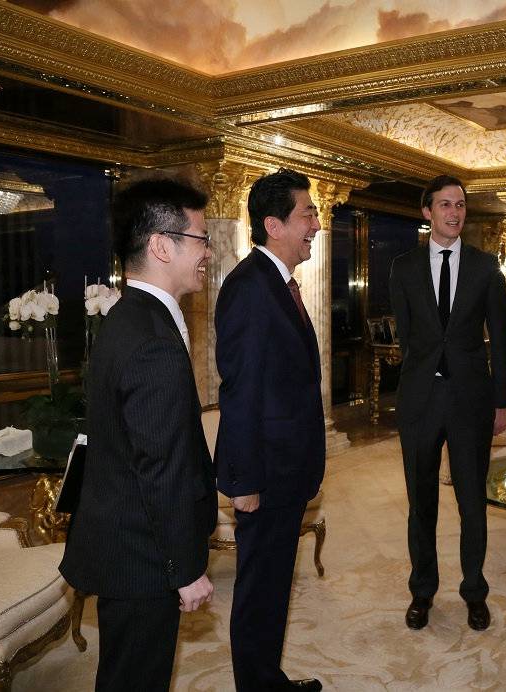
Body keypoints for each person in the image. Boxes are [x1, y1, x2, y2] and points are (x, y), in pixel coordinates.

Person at [60, 178, 217, 692]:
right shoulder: (152, 340)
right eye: (200, 237)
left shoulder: (130, 317)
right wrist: (186, 569)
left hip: (126, 544)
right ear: (161, 245)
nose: (208, 252)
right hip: (142, 558)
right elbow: (161, 467)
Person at [215, 169, 325, 692]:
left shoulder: (276, 284)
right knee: (259, 589)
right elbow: (240, 394)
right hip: (266, 474)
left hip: (287, 469)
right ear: (273, 224)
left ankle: (267, 680)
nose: (317, 225)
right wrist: (244, 483)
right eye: (308, 214)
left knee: (275, 585)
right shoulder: (249, 288)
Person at [389, 174, 506, 631]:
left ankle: (474, 592)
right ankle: (422, 592)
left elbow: (500, 339)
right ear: (428, 212)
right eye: (445, 205)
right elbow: (407, 337)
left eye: (460, 205)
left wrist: (501, 402)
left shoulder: (485, 266)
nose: (455, 213)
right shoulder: (403, 267)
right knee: (421, 504)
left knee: (471, 503)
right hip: (420, 401)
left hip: (470, 401)